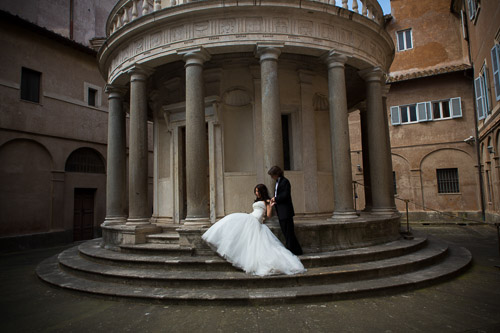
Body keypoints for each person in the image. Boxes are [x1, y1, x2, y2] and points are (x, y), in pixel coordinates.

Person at [202, 184, 305, 276]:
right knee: (231, 221)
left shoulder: (267, 201)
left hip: (256, 221)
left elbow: (268, 215)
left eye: (258, 191)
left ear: (262, 192)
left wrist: (271, 205)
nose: (257, 193)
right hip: (251, 217)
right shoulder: (257, 201)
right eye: (255, 191)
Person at [268, 166, 303, 255]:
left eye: (272, 175)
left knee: (288, 232)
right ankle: (296, 250)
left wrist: (275, 199)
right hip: (281, 211)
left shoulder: (285, 182)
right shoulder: (278, 182)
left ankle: (292, 250)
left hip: (286, 212)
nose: (272, 177)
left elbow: (285, 195)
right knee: (286, 232)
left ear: (277, 174)